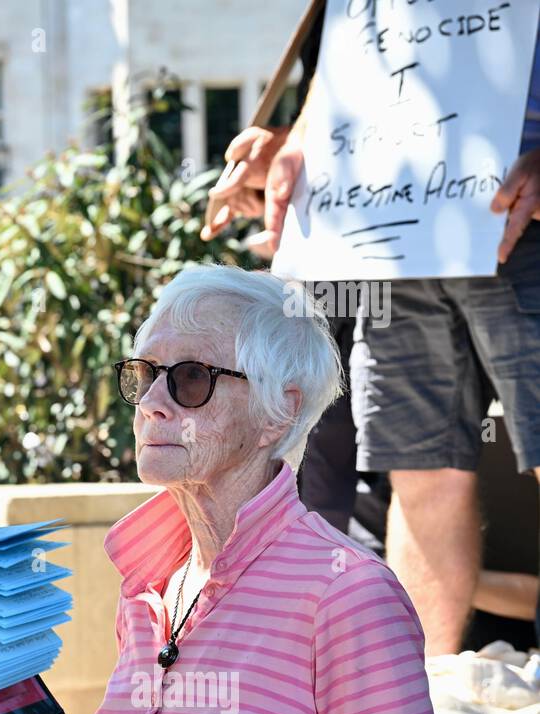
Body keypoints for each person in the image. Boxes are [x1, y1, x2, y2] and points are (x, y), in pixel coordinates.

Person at [80, 264, 445, 714]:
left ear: (278, 411)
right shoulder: (149, 582)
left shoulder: (347, 598)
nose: (151, 403)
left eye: (191, 378)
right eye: (143, 375)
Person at [204, 20, 540, 655]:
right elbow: (351, 36)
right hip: (393, 227)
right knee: (420, 469)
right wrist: (303, 139)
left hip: (517, 213)